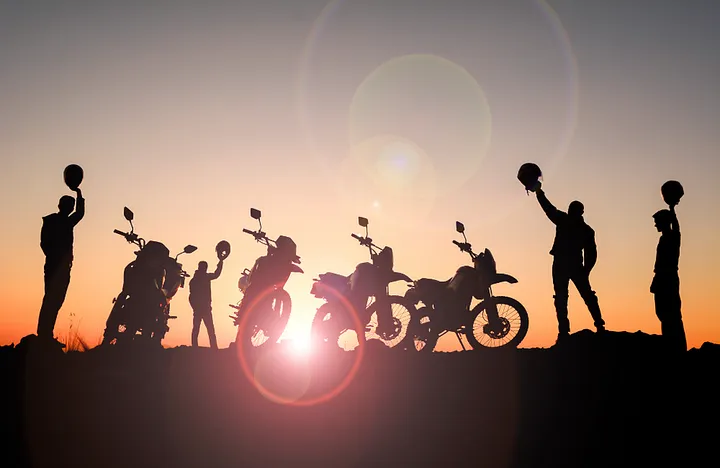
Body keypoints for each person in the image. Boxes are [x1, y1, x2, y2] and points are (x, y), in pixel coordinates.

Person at [535, 183, 605, 342]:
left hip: (567, 265)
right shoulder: (580, 227)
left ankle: (592, 326)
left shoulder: (571, 223)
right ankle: (570, 330)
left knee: (573, 297)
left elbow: (591, 253)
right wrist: (539, 193)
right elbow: (548, 208)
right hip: (567, 265)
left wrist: (586, 271)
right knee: (568, 297)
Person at [37, 188, 85, 346]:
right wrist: (55, 257)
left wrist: (79, 194)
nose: (70, 208)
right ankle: (44, 334)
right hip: (54, 266)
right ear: (61, 206)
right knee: (51, 298)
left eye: (71, 206)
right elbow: (44, 243)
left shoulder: (67, 222)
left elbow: (80, 213)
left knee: (57, 300)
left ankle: (46, 334)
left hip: (63, 267)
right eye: (68, 205)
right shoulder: (52, 221)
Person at [651, 207, 686, 352]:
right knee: (662, 313)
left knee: (672, 314)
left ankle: (677, 347)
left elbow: (677, 227)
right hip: (660, 277)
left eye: (657, 221)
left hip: (668, 278)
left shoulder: (673, 236)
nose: (655, 225)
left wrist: (672, 209)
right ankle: (669, 343)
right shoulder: (664, 238)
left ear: (665, 222)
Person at [189, 259, 224, 348]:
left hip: (202, 308)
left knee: (200, 329)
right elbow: (191, 297)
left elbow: (216, 274)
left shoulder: (196, 279)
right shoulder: (202, 278)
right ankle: (212, 348)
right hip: (202, 308)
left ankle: (196, 347)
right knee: (208, 330)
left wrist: (220, 262)